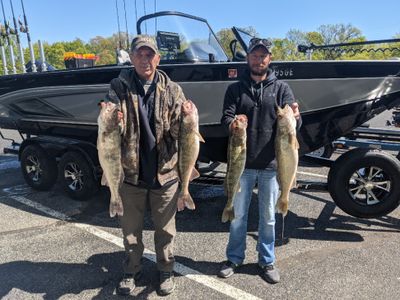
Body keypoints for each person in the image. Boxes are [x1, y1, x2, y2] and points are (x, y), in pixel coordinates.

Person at [103, 35, 187, 296]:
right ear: (131, 57)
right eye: (139, 54)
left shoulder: (172, 89)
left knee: (165, 231)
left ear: (158, 58)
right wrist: (111, 116)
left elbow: (178, 132)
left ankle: (165, 270)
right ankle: (131, 270)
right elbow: (108, 121)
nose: (144, 59)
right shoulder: (119, 85)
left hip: (165, 174)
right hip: (129, 175)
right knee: (131, 230)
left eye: (150, 54)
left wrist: (185, 118)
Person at [219, 37, 301, 284]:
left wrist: (296, 115)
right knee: (238, 217)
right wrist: (232, 124)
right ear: (248, 59)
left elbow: (295, 122)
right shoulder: (235, 89)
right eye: (255, 55)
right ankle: (234, 258)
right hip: (241, 164)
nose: (259, 59)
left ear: (270, 59)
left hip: (272, 166)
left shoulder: (282, 89)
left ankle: (266, 261)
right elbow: (226, 118)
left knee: (268, 217)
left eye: (263, 55)